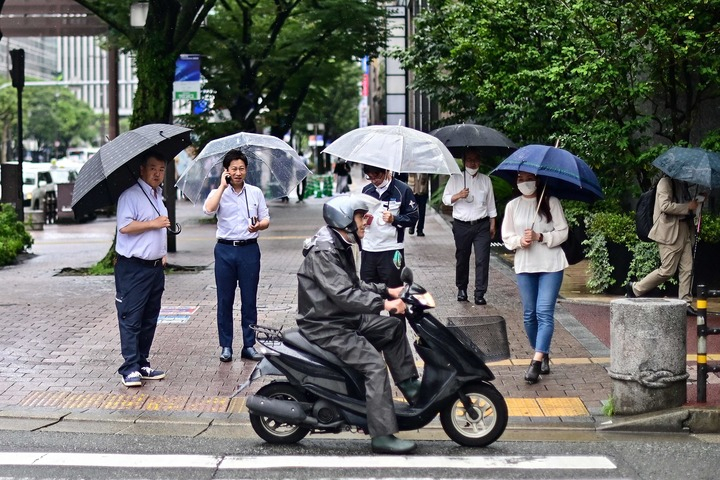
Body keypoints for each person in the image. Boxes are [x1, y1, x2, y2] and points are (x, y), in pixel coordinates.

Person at [296, 194, 420, 454]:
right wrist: (384, 305)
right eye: (361, 217)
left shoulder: (339, 242)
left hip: (341, 316)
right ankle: (382, 435)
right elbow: (345, 294)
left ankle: (411, 387)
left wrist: (388, 290)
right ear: (344, 219)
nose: (366, 221)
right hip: (326, 325)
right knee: (375, 366)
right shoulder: (324, 251)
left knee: (393, 328)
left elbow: (354, 285)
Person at [501, 171, 569, 384]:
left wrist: (542, 237)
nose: (524, 183)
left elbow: (563, 231)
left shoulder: (551, 202)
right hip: (525, 264)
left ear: (537, 180)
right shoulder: (512, 206)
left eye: (528, 179)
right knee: (529, 314)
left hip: (551, 264)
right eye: (520, 179)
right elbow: (506, 236)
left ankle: (536, 361)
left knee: (544, 312)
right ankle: (543, 350)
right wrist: (520, 241)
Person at [203, 149, 270, 363]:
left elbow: (266, 219)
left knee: (249, 299)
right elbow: (208, 210)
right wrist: (222, 186)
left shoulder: (255, 192)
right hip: (224, 250)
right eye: (234, 169)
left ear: (246, 170)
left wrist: (259, 225)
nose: (238, 173)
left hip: (249, 249)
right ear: (226, 171)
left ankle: (249, 345)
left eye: (241, 168)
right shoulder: (218, 192)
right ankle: (226, 346)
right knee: (225, 300)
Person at [114, 151, 170, 387]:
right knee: (131, 317)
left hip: (155, 268)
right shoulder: (131, 196)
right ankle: (129, 367)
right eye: (153, 168)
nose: (157, 174)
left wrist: (162, 252)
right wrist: (152, 224)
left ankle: (142, 362)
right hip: (133, 268)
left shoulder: (158, 196)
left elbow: (159, 229)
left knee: (149, 317)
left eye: (161, 169)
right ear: (142, 169)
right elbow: (124, 227)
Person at [626, 175, 700, 315]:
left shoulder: (681, 183)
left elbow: (687, 207)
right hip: (669, 232)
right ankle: (636, 288)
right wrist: (688, 206)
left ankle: (685, 303)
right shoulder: (665, 182)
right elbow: (665, 206)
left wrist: (697, 202)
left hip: (685, 230)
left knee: (687, 269)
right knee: (667, 270)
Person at [441, 148, 497, 305]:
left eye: (476, 159)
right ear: (464, 161)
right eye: (470, 160)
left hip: (481, 225)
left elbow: (491, 204)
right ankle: (461, 288)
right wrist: (458, 195)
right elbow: (445, 199)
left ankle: (480, 292)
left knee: (482, 259)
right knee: (462, 257)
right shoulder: (455, 178)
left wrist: (493, 223)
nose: (473, 163)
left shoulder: (486, 180)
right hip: (461, 225)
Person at [360, 165, 418, 289]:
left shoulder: (402, 190)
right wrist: (362, 220)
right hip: (369, 249)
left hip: (391, 249)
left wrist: (394, 219)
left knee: (394, 291)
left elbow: (413, 218)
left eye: (377, 176)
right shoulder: (366, 191)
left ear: (386, 172)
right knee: (367, 293)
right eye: (370, 177)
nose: (374, 180)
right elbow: (359, 216)